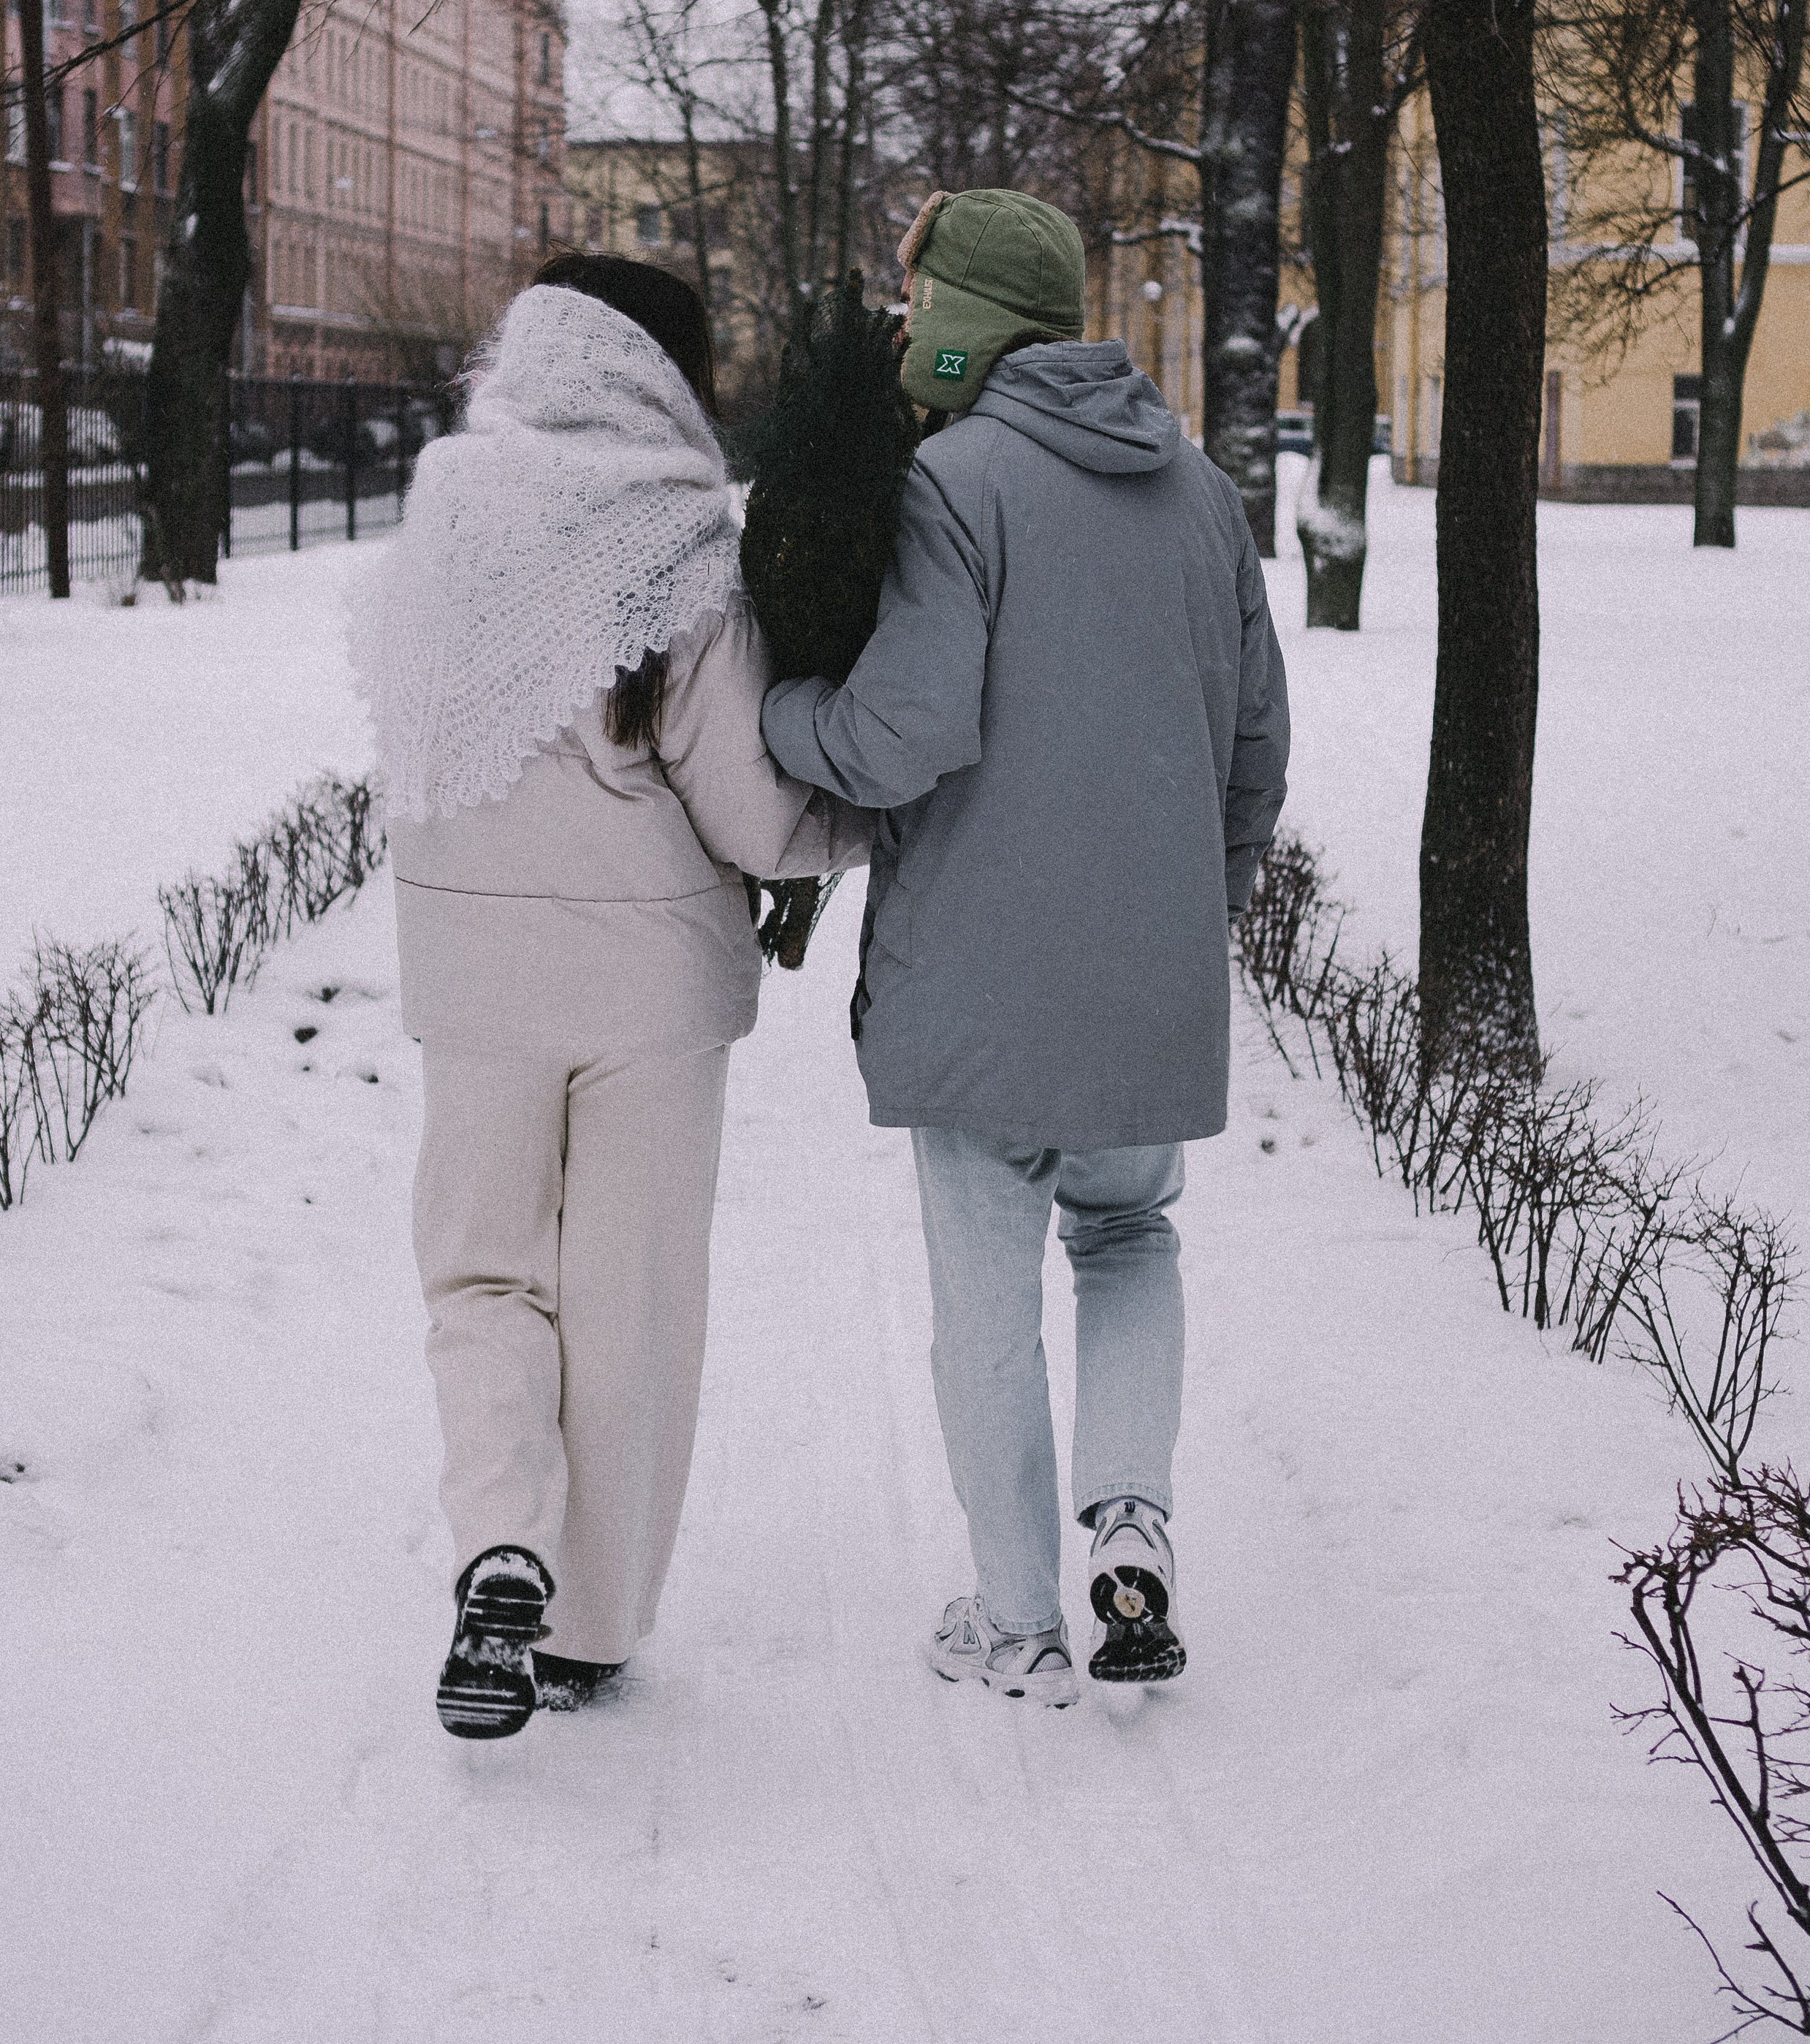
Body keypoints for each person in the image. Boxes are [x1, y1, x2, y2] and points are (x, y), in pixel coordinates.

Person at [761, 188, 1289, 1704]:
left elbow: (906, 731)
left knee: (985, 1301)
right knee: (1128, 1241)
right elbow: (1254, 743)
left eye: (917, 297)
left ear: (972, 318)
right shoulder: (1197, 490)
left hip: (984, 975)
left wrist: (781, 716)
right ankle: (1129, 1530)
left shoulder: (956, 482)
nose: (902, 323)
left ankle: (1015, 1621)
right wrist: (1201, 901)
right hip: (1154, 975)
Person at [355, 255, 871, 1740]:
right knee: (632, 1297)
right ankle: (583, 1631)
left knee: (483, 1282)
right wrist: (854, 828)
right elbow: (753, 813)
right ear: (666, 369)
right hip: (652, 991)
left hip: (474, 983)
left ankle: (499, 1545)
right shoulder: (680, 545)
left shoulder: (445, 515)